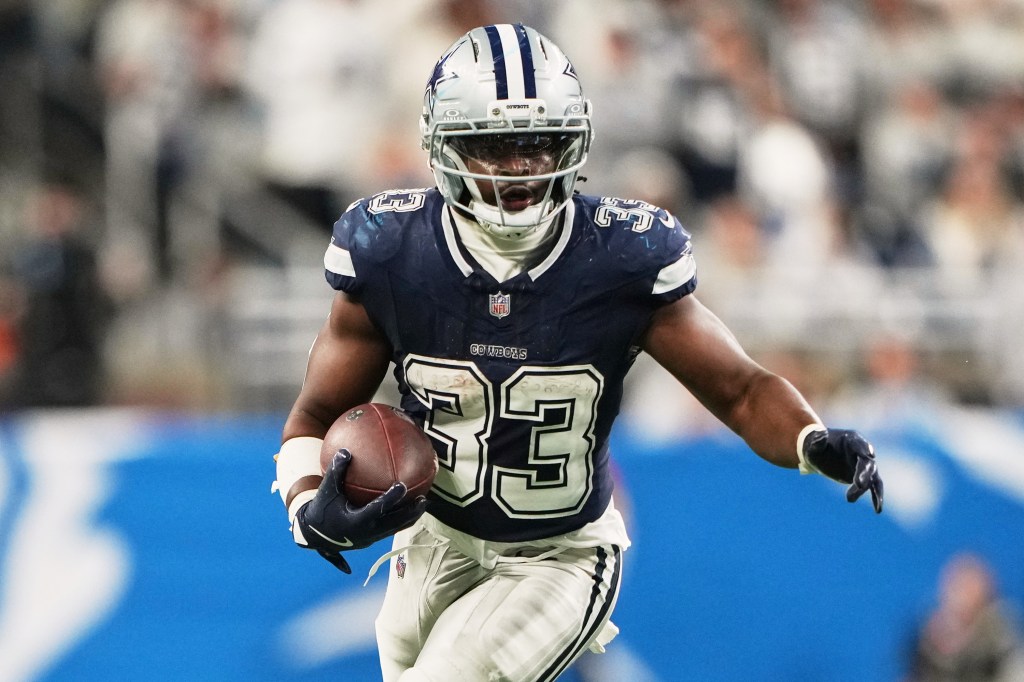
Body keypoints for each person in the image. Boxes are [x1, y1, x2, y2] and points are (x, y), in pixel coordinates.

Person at [272, 24, 884, 682]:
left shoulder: (620, 258)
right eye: (494, 147)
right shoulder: (393, 251)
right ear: (445, 145)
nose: (521, 168)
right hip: (434, 541)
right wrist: (310, 505)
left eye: (539, 145)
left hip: (561, 555)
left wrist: (809, 438)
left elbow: (737, 389)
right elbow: (317, 412)